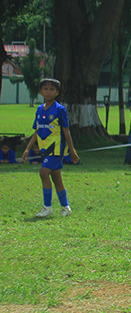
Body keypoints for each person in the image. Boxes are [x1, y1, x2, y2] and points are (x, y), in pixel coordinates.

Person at [20, 78, 79, 217]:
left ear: (57, 92)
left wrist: (72, 150)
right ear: (40, 91)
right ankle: (66, 208)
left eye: (52, 89)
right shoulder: (40, 109)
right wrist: (28, 148)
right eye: (45, 89)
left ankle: (47, 207)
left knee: (43, 173)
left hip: (56, 149)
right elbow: (37, 131)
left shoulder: (60, 109)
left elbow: (66, 131)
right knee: (57, 178)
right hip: (44, 150)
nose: (48, 92)